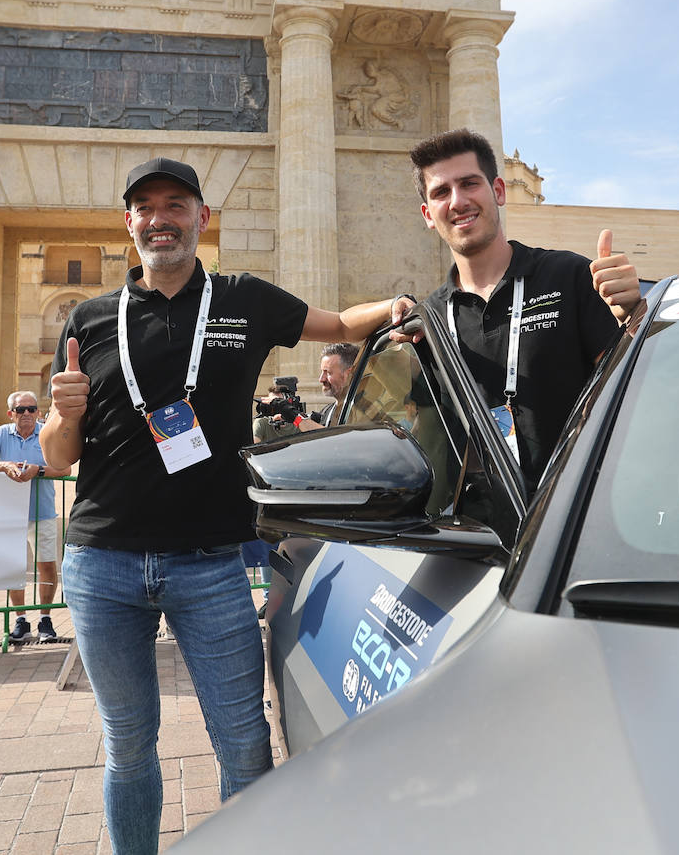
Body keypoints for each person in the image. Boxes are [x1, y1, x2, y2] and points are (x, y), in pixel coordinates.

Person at [40, 157, 406, 855]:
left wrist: (394, 310)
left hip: (209, 565)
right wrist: (62, 415)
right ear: (129, 224)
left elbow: (334, 323)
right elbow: (59, 458)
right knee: (128, 746)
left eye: (176, 203)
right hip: (102, 564)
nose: (160, 218)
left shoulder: (245, 298)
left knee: (244, 746)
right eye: (144, 207)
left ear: (201, 218)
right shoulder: (89, 319)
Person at [397, 128, 642, 489]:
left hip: (576, 513)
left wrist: (633, 314)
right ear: (428, 214)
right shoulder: (430, 318)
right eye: (441, 192)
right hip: (478, 532)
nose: (457, 201)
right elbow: (432, 434)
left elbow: (632, 385)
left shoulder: (569, 275)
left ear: (498, 191)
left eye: (469, 184)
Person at [0, 390, 72, 644]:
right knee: (14, 567)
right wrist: (4, 466)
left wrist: (38, 471)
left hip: (43, 512)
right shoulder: (1, 434)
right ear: (11, 413)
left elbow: (65, 468)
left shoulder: (46, 432)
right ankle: (20, 619)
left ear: (38, 412)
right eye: (21, 410)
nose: (27, 414)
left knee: (47, 565)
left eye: (31, 409)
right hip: (10, 516)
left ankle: (45, 619)